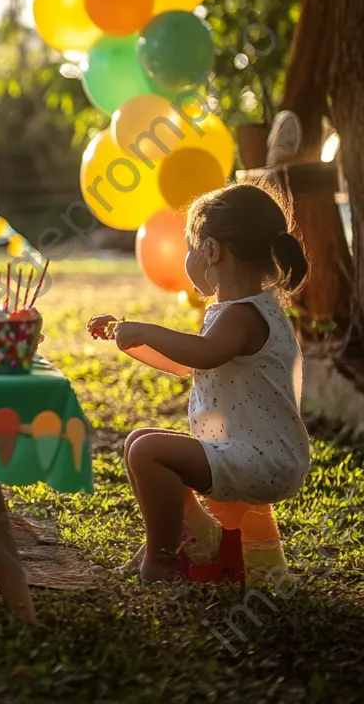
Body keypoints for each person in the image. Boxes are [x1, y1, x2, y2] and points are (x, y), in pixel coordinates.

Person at [88, 183, 311, 585]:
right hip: (248, 452)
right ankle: (195, 538)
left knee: (149, 452)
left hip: (263, 461)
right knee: (139, 440)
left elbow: (204, 353)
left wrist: (148, 329)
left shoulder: (242, 316)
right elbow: (187, 364)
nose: (187, 257)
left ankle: (165, 560)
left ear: (211, 251)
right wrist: (130, 337)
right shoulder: (236, 312)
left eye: (190, 247)